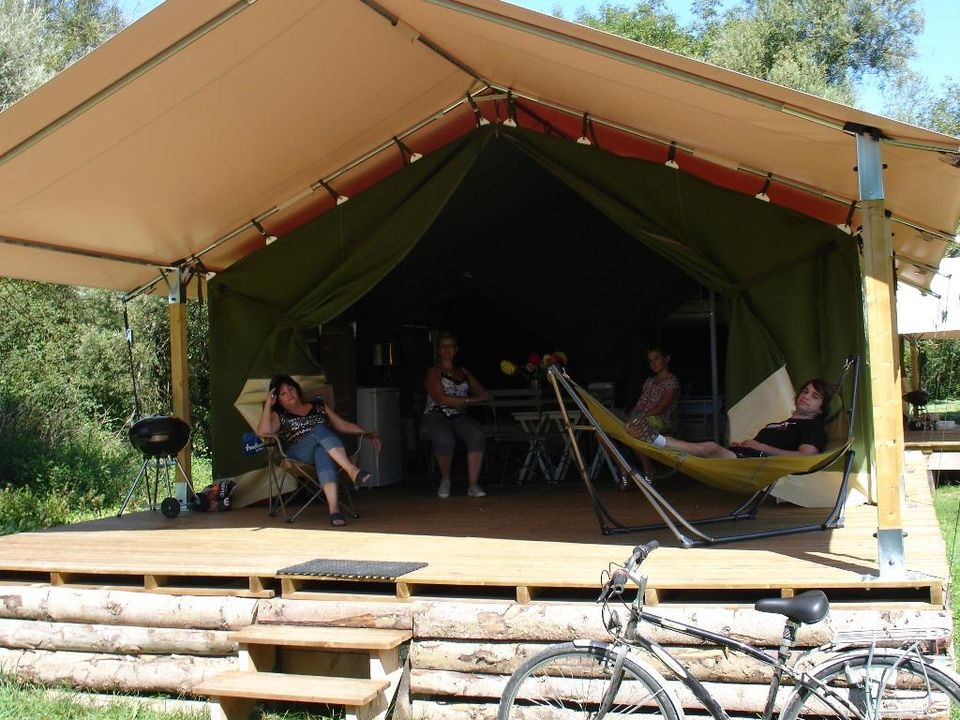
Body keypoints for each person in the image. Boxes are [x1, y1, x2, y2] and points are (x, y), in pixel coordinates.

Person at [257, 375, 381, 527]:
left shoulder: (318, 405)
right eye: (283, 393)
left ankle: (334, 511)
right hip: (298, 454)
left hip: (325, 449)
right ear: (278, 400)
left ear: (297, 389)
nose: (289, 394)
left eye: (291, 389)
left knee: (322, 452)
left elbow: (343, 425)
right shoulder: (279, 414)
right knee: (319, 429)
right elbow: (264, 431)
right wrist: (268, 405)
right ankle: (351, 469)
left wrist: (368, 434)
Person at [628, 378, 833, 459]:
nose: (806, 396)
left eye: (814, 396)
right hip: (744, 455)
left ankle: (653, 439)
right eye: (805, 391)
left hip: (755, 464)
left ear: (821, 409)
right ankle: (653, 438)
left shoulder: (812, 426)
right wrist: (745, 445)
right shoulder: (785, 423)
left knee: (710, 447)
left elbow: (806, 457)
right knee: (704, 449)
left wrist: (760, 447)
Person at [421, 331, 491, 498]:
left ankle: (473, 484)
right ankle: (445, 479)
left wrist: (471, 382)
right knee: (444, 437)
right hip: (436, 415)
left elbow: (483, 394)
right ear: (438, 350)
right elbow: (441, 399)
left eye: (450, 346)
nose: (447, 350)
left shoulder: (462, 372)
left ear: (456, 350)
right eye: (443, 346)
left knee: (477, 434)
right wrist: (470, 400)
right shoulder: (433, 371)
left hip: (458, 415)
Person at [622, 346, 680, 486]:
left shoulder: (672, 382)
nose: (653, 363)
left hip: (659, 420)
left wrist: (638, 418)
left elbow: (661, 408)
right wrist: (630, 416)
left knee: (633, 429)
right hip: (640, 418)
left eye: (656, 359)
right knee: (604, 430)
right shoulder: (649, 381)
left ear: (667, 359)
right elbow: (640, 404)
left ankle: (648, 468)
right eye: (650, 361)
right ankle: (622, 467)